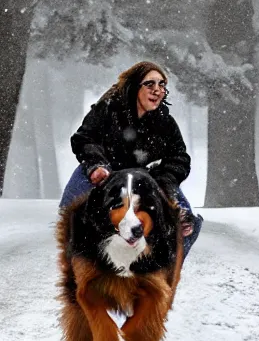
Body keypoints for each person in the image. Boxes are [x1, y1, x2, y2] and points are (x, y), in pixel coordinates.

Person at [59, 60, 203, 259]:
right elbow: (84, 139)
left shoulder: (165, 122)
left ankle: (162, 273)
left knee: (184, 221)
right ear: (135, 86)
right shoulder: (108, 109)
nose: (157, 90)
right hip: (103, 172)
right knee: (71, 216)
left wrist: (163, 183)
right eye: (150, 84)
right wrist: (96, 166)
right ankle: (83, 271)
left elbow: (179, 157)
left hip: (145, 177)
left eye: (162, 85)